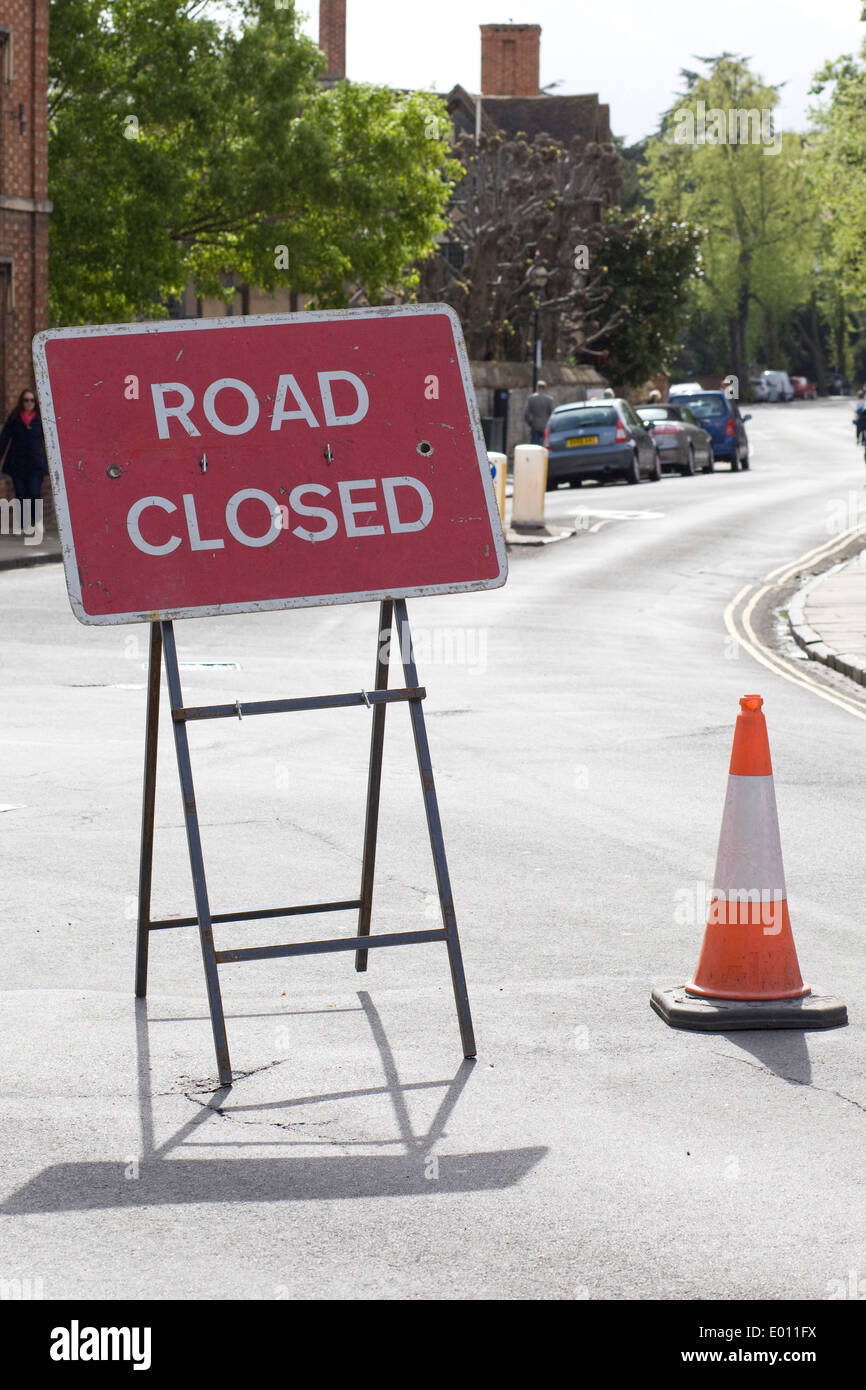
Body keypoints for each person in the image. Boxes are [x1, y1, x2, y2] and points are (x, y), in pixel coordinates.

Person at [0, 388, 48, 512]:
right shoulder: (14, 418)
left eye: (32, 400)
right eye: (26, 400)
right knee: (20, 497)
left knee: (35, 494)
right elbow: (4, 439)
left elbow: (50, 442)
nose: (29, 403)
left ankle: (36, 524)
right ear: (21, 402)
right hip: (18, 465)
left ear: (35, 402)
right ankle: (23, 526)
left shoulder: (41, 420)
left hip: (35, 465)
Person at [524, 379, 555, 445]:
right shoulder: (549, 399)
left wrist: (530, 423)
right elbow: (553, 413)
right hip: (546, 425)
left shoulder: (531, 398)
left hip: (535, 425)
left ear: (537, 387)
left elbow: (526, 414)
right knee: (546, 445)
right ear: (545, 388)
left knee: (535, 446)